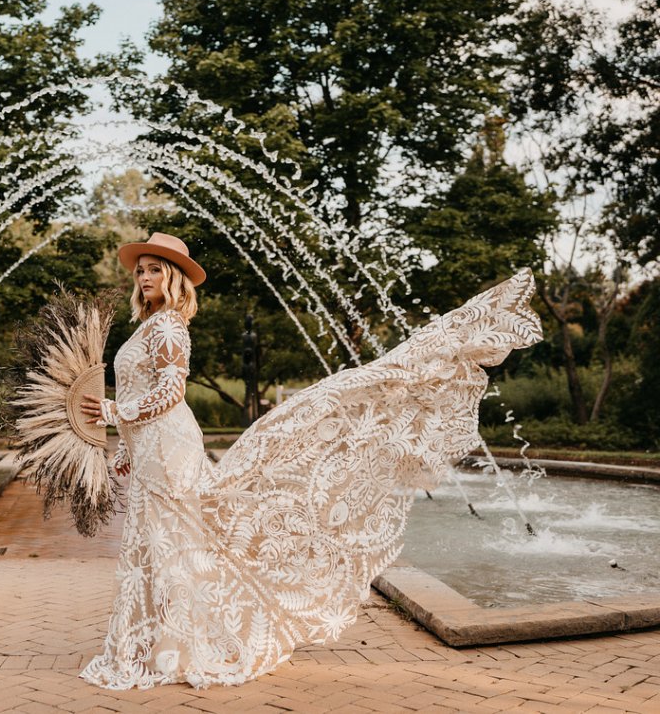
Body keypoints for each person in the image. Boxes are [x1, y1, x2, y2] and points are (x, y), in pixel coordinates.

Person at [78, 232, 542, 690]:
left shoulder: (169, 326)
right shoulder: (149, 324)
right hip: (152, 448)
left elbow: (171, 391)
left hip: (169, 448)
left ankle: (189, 641)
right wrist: (126, 446)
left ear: (175, 277)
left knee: (173, 542)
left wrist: (117, 412)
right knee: (162, 544)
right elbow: (145, 390)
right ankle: (165, 639)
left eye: (155, 269)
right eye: (140, 270)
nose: (144, 277)